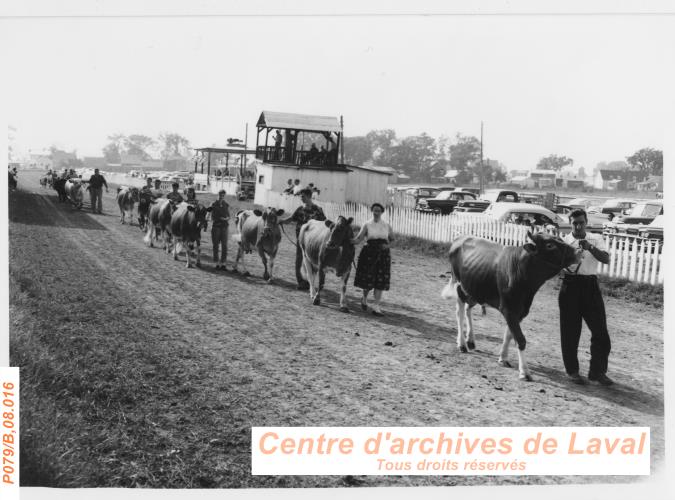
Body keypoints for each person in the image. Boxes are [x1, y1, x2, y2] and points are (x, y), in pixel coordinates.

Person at [559, 208, 613, 386]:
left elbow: (606, 259)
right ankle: (572, 371)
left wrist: (590, 247)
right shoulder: (565, 242)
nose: (578, 226)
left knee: (601, 332)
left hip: (590, 286)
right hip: (570, 286)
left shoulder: (595, 239)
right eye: (575, 223)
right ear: (570, 223)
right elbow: (557, 266)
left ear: (586, 222)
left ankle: (597, 372)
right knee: (570, 332)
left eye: (581, 222)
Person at [351, 203, 394, 316]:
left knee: (380, 281)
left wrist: (387, 246)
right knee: (368, 281)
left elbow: (393, 240)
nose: (376, 213)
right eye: (374, 210)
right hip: (369, 255)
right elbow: (359, 238)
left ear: (382, 212)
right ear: (372, 211)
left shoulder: (386, 225)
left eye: (378, 211)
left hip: (383, 255)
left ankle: (376, 306)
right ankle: (364, 298)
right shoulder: (367, 224)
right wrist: (347, 240)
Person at [279, 188, 326, 290]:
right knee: (299, 260)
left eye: (303, 196)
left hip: (313, 242)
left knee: (312, 262)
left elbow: (324, 224)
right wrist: (282, 221)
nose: (301, 198)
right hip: (301, 240)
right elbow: (291, 219)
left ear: (309, 196)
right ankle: (301, 281)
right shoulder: (300, 209)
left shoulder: (318, 210)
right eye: (301, 197)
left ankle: (310, 281)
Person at [210, 190, 230, 270]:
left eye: (223, 195)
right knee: (216, 245)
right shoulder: (213, 204)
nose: (222, 196)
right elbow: (212, 216)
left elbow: (228, 215)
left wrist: (227, 218)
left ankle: (223, 263)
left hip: (225, 227)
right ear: (218, 195)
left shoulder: (226, 204)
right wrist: (220, 218)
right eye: (220, 195)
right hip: (216, 227)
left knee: (224, 246)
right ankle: (216, 263)